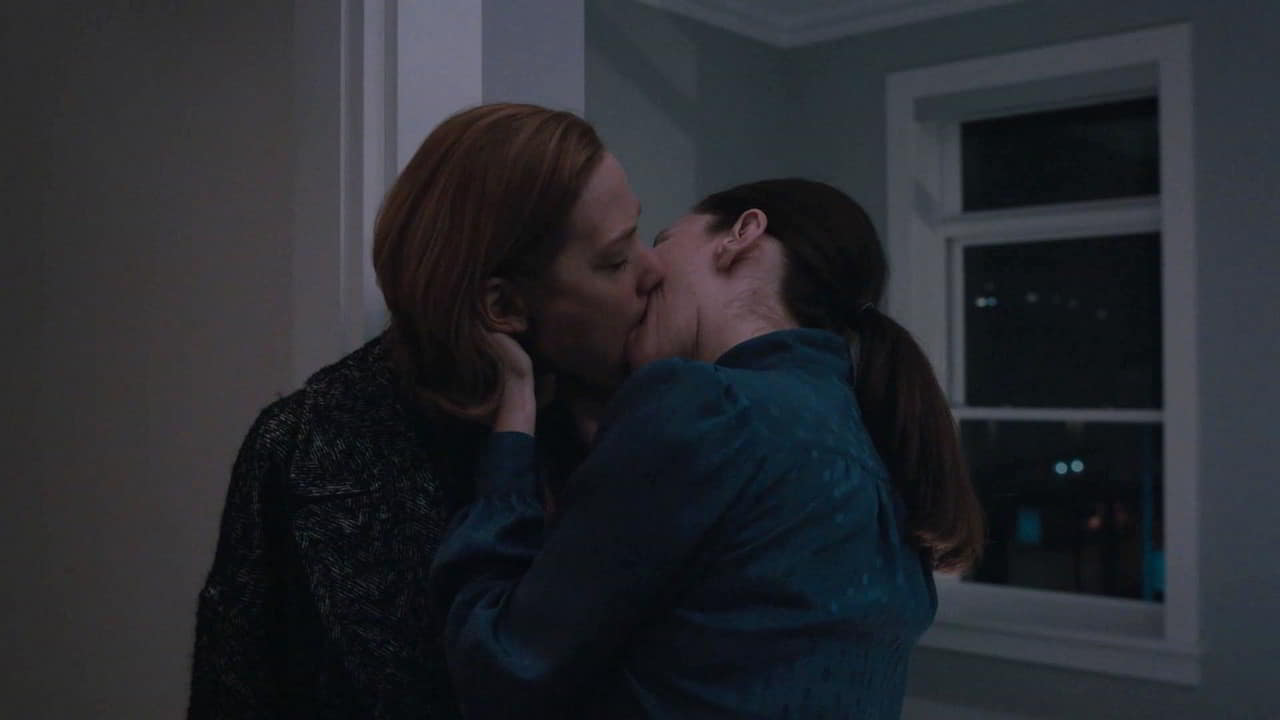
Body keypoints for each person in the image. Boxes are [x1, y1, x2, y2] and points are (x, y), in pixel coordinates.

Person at [430, 178, 986, 718]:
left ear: (742, 234)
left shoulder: (703, 405)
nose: (646, 271)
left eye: (661, 240)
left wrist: (514, 421)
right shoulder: (879, 460)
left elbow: (502, 666)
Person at [187, 103, 663, 718]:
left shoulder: (632, 420)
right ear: (503, 306)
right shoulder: (309, 450)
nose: (654, 269)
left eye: (640, 235)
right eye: (616, 261)